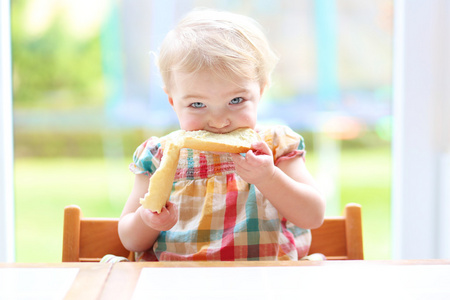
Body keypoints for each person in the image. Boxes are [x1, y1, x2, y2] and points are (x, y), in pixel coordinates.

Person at [118, 9, 325, 261]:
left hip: (266, 281)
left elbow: (313, 215)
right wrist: (148, 219)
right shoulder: (159, 156)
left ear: (260, 92)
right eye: (197, 105)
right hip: (178, 283)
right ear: (173, 102)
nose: (218, 121)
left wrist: (269, 177)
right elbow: (130, 239)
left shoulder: (275, 146)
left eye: (235, 100)